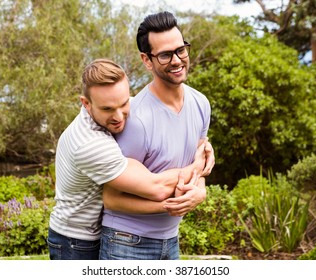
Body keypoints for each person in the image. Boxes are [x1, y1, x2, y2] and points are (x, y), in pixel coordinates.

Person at [47, 58, 214, 260]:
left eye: (124, 103)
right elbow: (157, 187)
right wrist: (198, 165)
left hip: (103, 230)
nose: (119, 116)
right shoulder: (89, 143)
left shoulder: (133, 106)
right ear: (86, 103)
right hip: (76, 240)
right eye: (107, 109)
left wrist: (204, 148)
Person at [100, 11, 212, 260]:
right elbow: (111, 198)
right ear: (147, 60)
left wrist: (200, 191)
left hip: (170, 240)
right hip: (126, 242)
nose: (177, 60)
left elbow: (197, 163)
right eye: (165, 55)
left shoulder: (201, 103)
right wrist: (166, 207)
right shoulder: (137, 120)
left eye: (181, 50)